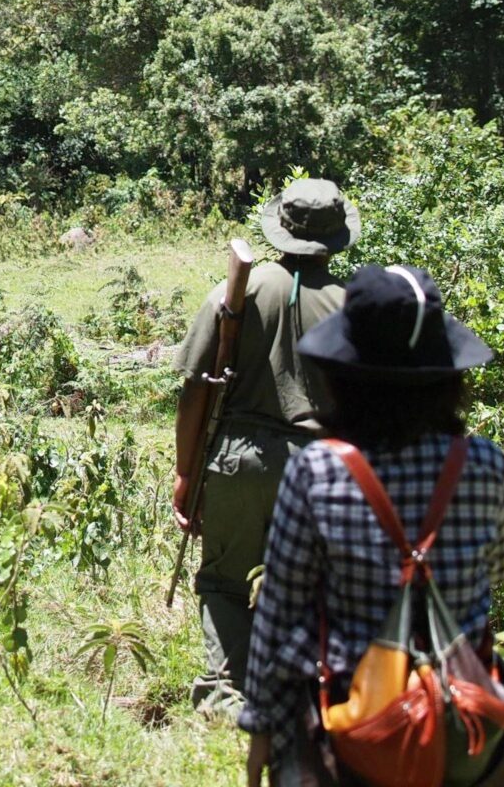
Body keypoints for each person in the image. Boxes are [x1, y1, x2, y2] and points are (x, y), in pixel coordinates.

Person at [241, 264, 504, 787]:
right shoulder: (483, 464)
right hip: (462, 733)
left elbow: (279, 611)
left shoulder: (318, 470)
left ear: (343, 376)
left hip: (348, 729)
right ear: (447, 374)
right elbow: (502, 566)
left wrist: (260, 725)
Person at [172, 178, 359, 716]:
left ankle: (226, 693)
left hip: (239, 459)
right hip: (324, 467)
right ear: (336, 237)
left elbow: (194, 390)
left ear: (281, 228)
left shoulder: (237, 294)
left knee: (228, 582)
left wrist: (186, 472)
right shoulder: (353, 308)